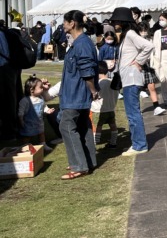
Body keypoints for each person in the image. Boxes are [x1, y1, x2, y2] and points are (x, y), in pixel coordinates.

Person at [59, 10, 100, 180]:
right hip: (76, 93)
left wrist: (92, 90)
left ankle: (79, 165)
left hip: (76, 94)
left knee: (66, 125)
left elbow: (87, 70)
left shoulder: (82, 43)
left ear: (72, 23)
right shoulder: (80, 42)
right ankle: (87, 161)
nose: (63, 25)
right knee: (83, 126)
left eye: (65, 22)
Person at [110, 7, 154, 156]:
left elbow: (149, 46)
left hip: (131, 77)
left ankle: (139, 145)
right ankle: (138, 143)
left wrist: (139, 62)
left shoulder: (129, 34)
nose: (114, 23)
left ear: (122, 21)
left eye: (116, 20)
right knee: (132, 112)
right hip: (128, 77)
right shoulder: (126, 35)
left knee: (133, 113)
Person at [18, 75, 56, 153]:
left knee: (41, 133)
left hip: (39, 121)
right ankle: (25, 147)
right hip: (28, 123)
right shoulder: (25, 100)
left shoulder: (40, 98)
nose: (43, 88)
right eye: (41, 87)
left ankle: (43, 144)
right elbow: (20, 112)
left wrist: (47, 110)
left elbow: (43, 106)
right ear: (32, 90)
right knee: (27, 136)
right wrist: (21, 120)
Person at [137, 23, 165, 116]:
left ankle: (156, 106)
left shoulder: (150, 40)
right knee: (137, 89)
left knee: (152, 86)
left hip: (148, 65)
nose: (144, 33)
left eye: (145, 30)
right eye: (142, 31)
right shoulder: (136, 41)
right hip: (139, 66)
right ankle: (138, 109)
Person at [91, 61, 119, 149]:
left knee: (97, 126)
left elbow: (95, 96)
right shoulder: (112, 82)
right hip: (111, 108)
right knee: (113, 125)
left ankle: (95, 142)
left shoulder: (99, 84)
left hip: (98, 110)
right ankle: (113, 142)